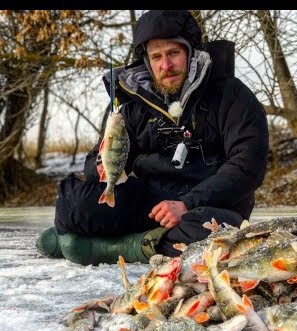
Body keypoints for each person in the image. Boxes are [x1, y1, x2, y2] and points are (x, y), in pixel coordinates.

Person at [35, 10, 269, 266]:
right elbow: (94, 160)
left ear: (191, 53)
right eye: (156, 56)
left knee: (217, 235)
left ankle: (110, 246)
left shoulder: (232, 96)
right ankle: (142, 241)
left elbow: (247, 167)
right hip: (150, 204)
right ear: (146, 60)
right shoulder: (135, 107)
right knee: (73, 201)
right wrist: (100, 167)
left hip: (209, 206)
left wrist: (187, 204)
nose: (165, 66)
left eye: (173, 53)